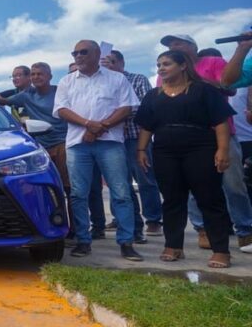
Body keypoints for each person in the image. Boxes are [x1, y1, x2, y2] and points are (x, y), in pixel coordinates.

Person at [136, 51, 234, 268]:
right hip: (164, 152)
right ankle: (173, 246)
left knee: (210, 199)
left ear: (182, 66)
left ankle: (221, 250)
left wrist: (223, 150)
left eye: (167, 64)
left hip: (200, 149)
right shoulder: (153, 95)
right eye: (159, 64)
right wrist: (141, 150)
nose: (161, 68)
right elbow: (146, 126)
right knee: (172, 200)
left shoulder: (204, 90)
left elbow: (220, 122)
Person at [53, 40, 142, 261]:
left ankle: (126, 243)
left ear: (96, 53)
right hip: (77, 144)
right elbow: (61, 110)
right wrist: (88, 124)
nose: (78, 56)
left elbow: (127, 107)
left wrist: (100, 127)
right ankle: (83, 241)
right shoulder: (66, 81)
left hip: (110, 142)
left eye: (83, 52)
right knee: (78, 194)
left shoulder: (117, 78)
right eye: (75, 53)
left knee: (121, 193)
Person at [163, 34, 252, 251]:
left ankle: (245, 230)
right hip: (190, 137)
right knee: (195, 185)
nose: (173, 47)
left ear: (192, 46)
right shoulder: (167, 70)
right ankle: (202, 229)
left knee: (234, 183)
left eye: (178, 43)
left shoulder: (212, 62)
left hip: (222, 131)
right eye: (170, 45)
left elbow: (229, 87)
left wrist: (197, 80)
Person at [0, 62, 69, 195]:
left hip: (62, 145)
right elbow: (3, 101)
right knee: (44, 188)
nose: (36, 77)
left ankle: (72, 216)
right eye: (33, 74)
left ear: (50, 76)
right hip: (39, 147)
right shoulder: (26, 95)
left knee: (68, 188)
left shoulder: (60, 91)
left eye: (40, 74)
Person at [102, 50, 161, 239]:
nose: (107, 66)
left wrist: (120, 117)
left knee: (145, 179)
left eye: (110, 62)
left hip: (136, 138)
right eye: (105, 63)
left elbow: (146, 107)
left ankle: (153, 220)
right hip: (112, 139)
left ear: (121, 63)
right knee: (118, 183)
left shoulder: (137, 79)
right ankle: (128, 221)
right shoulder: (103, 83)